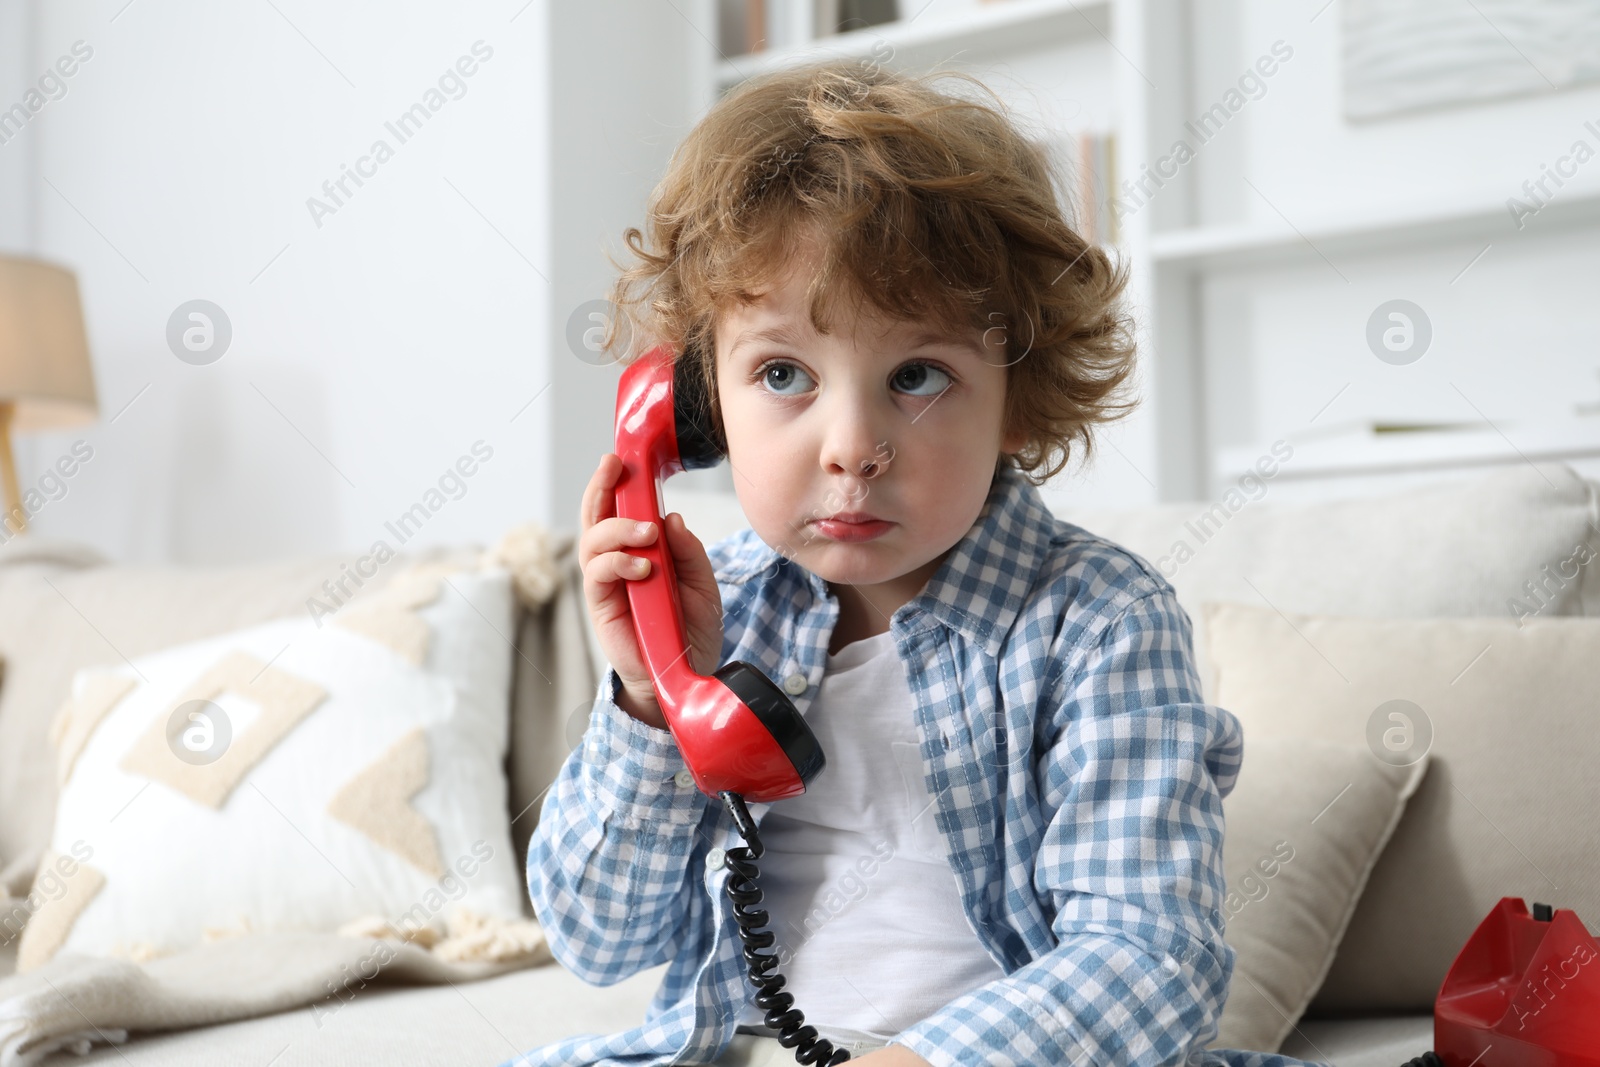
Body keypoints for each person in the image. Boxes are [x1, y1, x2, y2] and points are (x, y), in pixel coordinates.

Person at [503, 58, 1328, 1067]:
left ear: (1019, 395)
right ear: (692, 409)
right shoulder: (720, 616)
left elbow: (1149, 959)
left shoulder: (1099, 621)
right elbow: (597, 941)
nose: (851, 444)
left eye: (917, 374)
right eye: (782, 373)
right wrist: (650, 697)